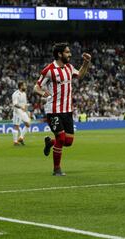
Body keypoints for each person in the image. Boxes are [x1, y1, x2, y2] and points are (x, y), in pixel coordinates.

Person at [34, 42, 91, 176]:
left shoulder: (69, 68)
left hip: (67, 110)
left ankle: (50, 143)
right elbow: (36, 87)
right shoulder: (49, 70)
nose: (70, 54)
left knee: (68, 141)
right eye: (67, 52)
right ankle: (57, 169)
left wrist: (86, 63)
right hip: (53, 110)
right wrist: (42, 93)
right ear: (59, 54)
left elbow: (80, 75)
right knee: (60, 138)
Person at [12, 81, 31, 146]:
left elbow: (25, 104)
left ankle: (21, 138)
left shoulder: (24, 93)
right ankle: (15, 142)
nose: (25, 87)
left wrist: (27, 112)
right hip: (17, 112)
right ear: (21, 86)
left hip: (23, 112)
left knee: (28, 124)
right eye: (24, 85)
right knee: (16, 126)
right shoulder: (16, 94)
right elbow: (15, 104)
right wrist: (21, 107)